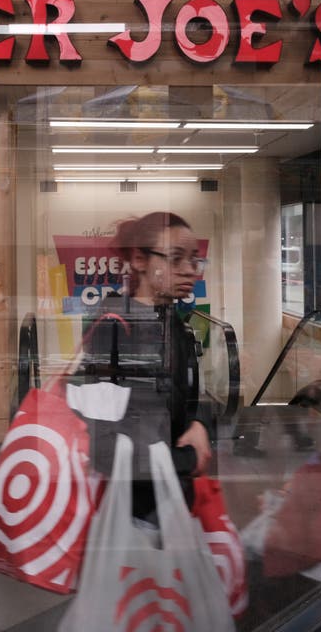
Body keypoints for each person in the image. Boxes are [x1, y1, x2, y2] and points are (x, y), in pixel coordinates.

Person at [73, 211, 215, 520]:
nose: (189, 270)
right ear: (139, 260)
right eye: (175, 259)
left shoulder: (173, 323)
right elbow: (103, 445)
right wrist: (187, 460)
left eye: (194, 260)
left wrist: (200, 423)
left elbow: (186, 399)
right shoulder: (116, 330)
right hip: (130, 511)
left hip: (169, 500)